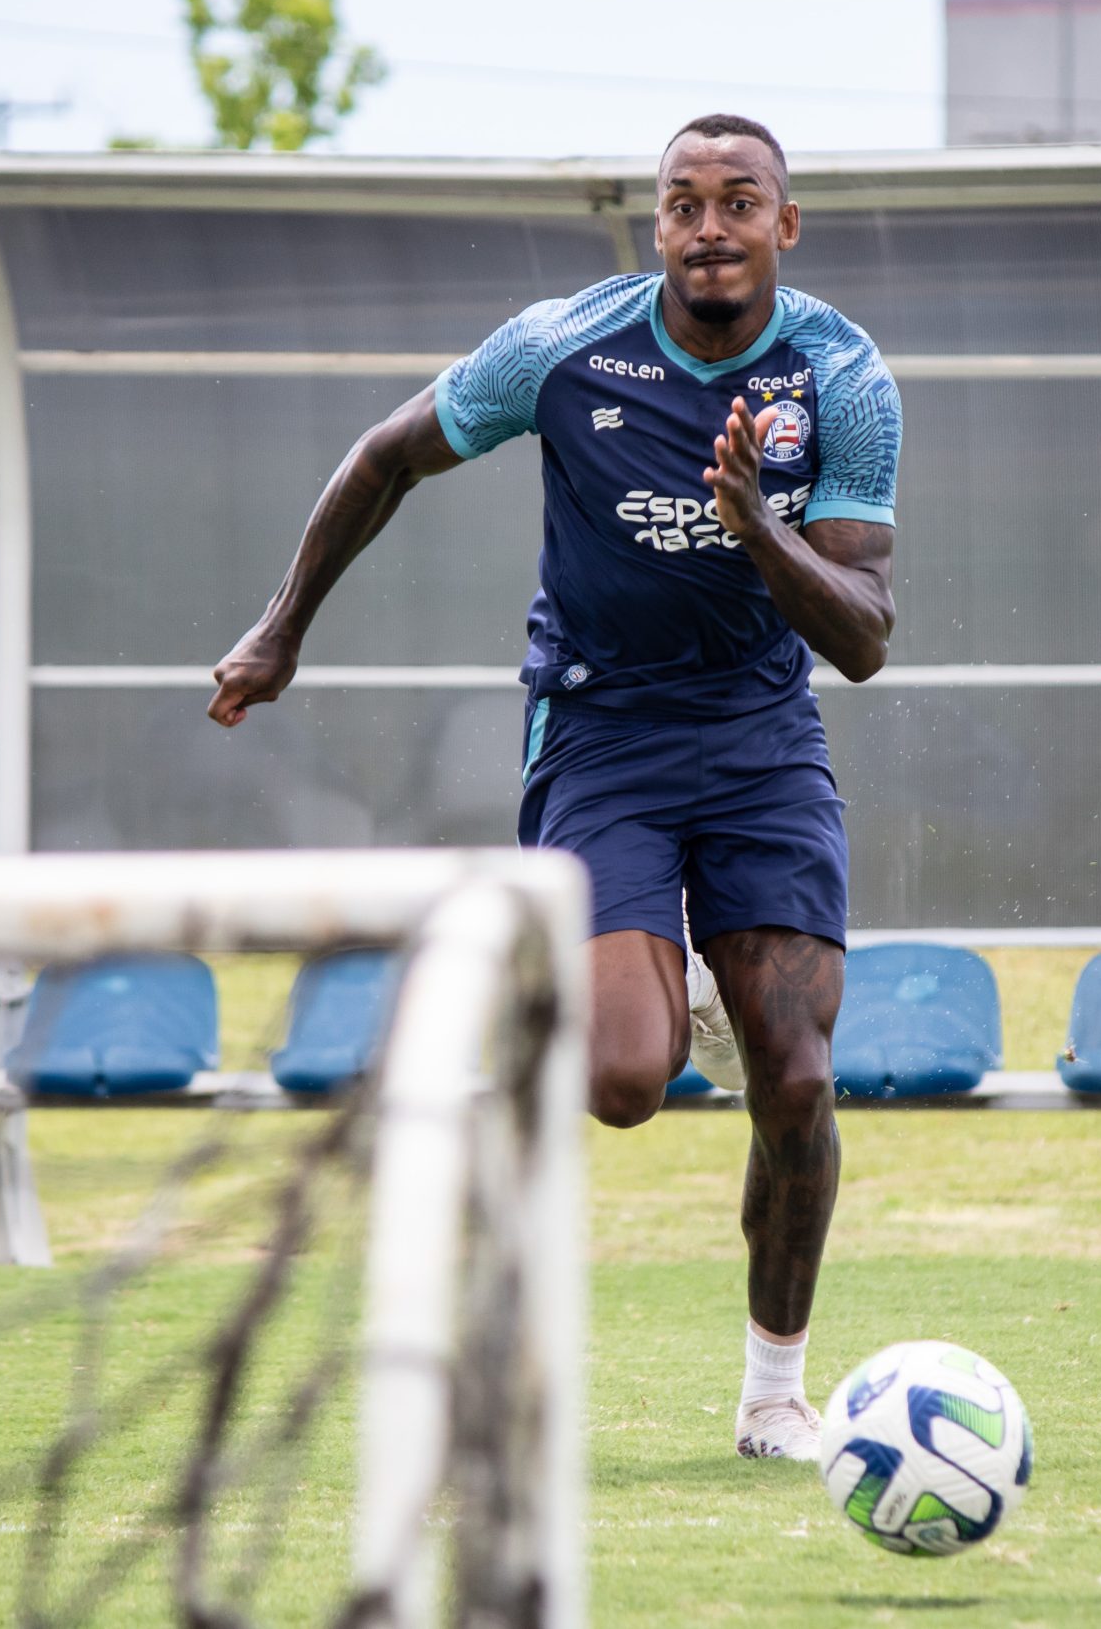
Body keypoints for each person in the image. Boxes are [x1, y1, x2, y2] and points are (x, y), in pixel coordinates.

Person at [207, 112, 901, 1462]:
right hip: (602, 736)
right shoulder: (567, 345)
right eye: (684, 204)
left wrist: (757, 524)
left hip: (764, 739)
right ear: (657, 226)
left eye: (738, 203)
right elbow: (384, 456)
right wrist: (281, 627)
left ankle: (774, 1397)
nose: (711, 228)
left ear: (784, 225)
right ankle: (675, 984)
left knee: (800, 1082)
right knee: (628, 1083)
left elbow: (865, 641)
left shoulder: (843, 375)